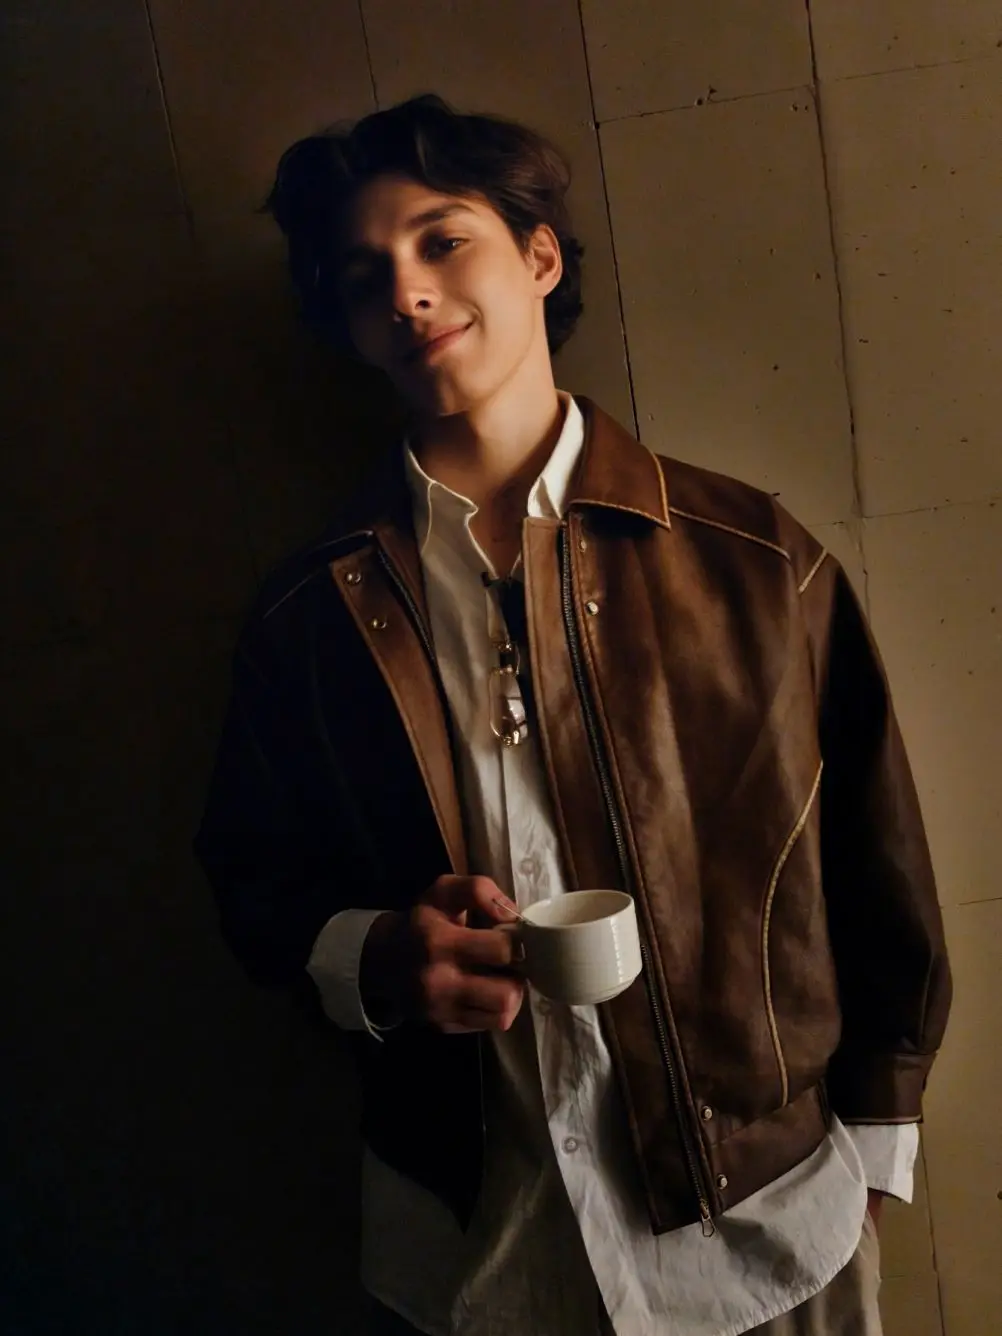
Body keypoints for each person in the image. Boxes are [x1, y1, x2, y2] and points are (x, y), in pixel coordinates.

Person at [194, 94, 952, 1336]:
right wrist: (380, 956)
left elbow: (879, 858)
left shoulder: (753, 559)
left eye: (444, 241)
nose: (409, 291)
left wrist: (875, 1138)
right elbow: (251, 882)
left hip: (766, 1228)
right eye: (366, 274)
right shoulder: (305, 615)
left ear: (539, 257)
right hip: (476, 1240)